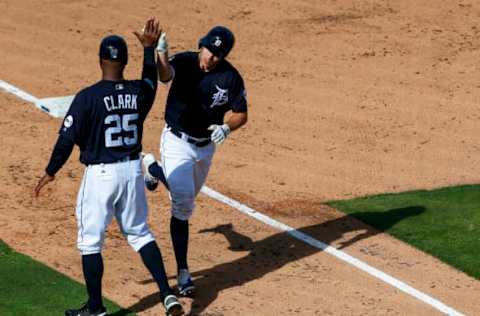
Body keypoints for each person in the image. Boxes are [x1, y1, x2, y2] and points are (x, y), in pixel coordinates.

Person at [34, 18, 184, 316]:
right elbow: (151, 83)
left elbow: (66, 141)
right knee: (140, 233)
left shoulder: (87, 97)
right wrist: (149, 49)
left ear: (101, 61)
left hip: (100, 177)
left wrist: (50, 172)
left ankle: (95, 308)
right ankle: (167, 294)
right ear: (124, 61)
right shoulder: (138, 92)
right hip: (131, 172)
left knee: (90, 243)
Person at [141, 25, 248, 297]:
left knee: (186, 199)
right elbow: (165, 75)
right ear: (202, 45)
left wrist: (226, 127)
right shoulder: (187, 61)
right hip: (177, 140)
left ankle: (152, 168)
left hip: (206, 147)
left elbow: (241, 113)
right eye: (208, 50)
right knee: (183, 202)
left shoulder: (231, 77)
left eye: (217, 55)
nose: (210, 57)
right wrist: (161, 54)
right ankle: (184, 272)